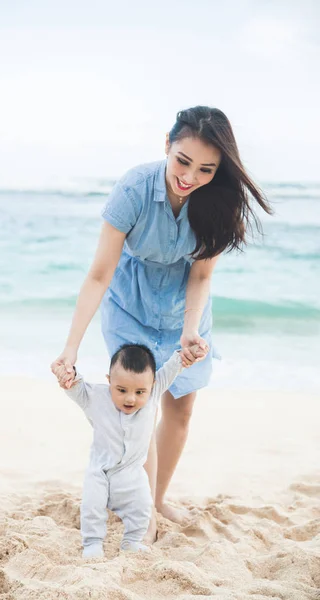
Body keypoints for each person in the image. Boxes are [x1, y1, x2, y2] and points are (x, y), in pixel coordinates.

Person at [51, 106, 272, 543]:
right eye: (183, 161)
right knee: (139, 405)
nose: (190, 176)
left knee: (181, 404)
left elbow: (202, 276)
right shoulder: (134, 189)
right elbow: (99, 274)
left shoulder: (218, 202)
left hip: (184, 311)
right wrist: (70, 348)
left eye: (206, 169)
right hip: (131, 302)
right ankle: (142, 512)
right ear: (167, 146)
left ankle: (154, 498)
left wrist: (191, 330)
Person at [53, 343, 194, 558]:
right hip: (100, 472)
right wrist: (66, 375)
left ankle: (131, 541)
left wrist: (186, 354)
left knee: (142, 507)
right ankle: (92, 544)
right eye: (121, 390)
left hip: (132, 472)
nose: (130, 398)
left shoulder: (154, 394)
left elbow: (173, 368)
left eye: (139, 392)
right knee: (92, 507)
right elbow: (75, 387)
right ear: (109, 381)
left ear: (152, 385)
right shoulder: (96, 397)